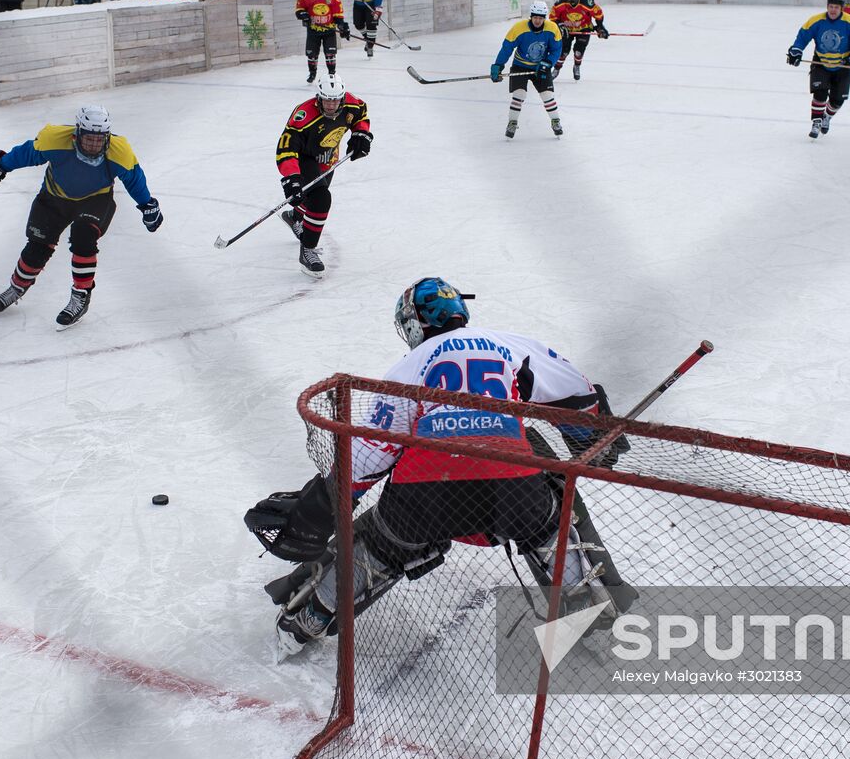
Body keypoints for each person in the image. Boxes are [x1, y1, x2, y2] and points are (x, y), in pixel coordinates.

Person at [259, 278, 617, 655]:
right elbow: (576, 390)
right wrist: (590, 438)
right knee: (545, 521)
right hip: (510, 483)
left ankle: (309, 620)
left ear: (416, 323)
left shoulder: (410, 365)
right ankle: (584, 608)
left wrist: (326, 503)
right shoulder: (510, 345)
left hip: (427, 490)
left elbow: (372, 451)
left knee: (384, 545)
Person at [0, 106, 163, 328]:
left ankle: (81, 295)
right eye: (89, 139)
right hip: (53, 198)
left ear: (107, 137)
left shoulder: (119, 151)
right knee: (37, 246)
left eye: (99, 140)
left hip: (96, 201)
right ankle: (17, 287)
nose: (94, 145)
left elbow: (134, 178)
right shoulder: (54, 139)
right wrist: (1, 165)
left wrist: (147, 204)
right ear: (77, 134)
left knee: (83, 237)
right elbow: (27, 153)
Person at [274, 75, 372, 277]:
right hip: (304, 158)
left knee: (310, 198)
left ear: (342, 98)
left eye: (335, 100)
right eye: (327, 100)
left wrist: (361, 134)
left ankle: (294, 217)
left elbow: (361, 115)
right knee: (321, 199)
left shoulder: (352, 104)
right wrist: (292, 177)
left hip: (328, 158)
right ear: (318, 98)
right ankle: (308, 251)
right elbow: (286, 148)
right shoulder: (303, 115)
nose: (331, 105)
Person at [787, 0, 850, 140]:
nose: (833, 10)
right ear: (827, 7)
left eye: (836, 7)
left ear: (842, 8)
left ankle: (827, 117)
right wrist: (796, 51)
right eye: (830, 7)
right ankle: (816, 122)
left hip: (842, 65)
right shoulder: (816, 20)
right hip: (820, 63)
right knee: (820, 93)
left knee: (837, 100)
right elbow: (803, 37)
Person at [492, 0, 564, 139]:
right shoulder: (519, 28)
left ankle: (555, 121)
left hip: (541, 67)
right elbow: (507, 48)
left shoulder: (552, 28)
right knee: (519, 94)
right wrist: (498, 66)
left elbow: (556, 49)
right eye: (535, 17)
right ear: (531, 16)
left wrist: (548, 62)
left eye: (541, 18)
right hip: (520, 66)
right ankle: (512, 123)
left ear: (544, 18)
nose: (538, 21)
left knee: (547, 95)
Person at [296, 0, 350, 83]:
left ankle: (331, 73)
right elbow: (299, 9)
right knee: (312, 54)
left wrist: (341, 25)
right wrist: (303, 15)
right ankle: (312, 73)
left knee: (330, 54)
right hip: (313, 30)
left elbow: (338, 14)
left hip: (329, 31)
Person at [549, 0, 607, 81]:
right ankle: (557, 69)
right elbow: (552, 17)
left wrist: (600, 27)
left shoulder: (587, 3)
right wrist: (560, 24)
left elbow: (598, 14)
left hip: (584, 29)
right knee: (563, 52)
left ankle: (577, 66)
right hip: (567, 30)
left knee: (578, 52)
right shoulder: (560, 4)